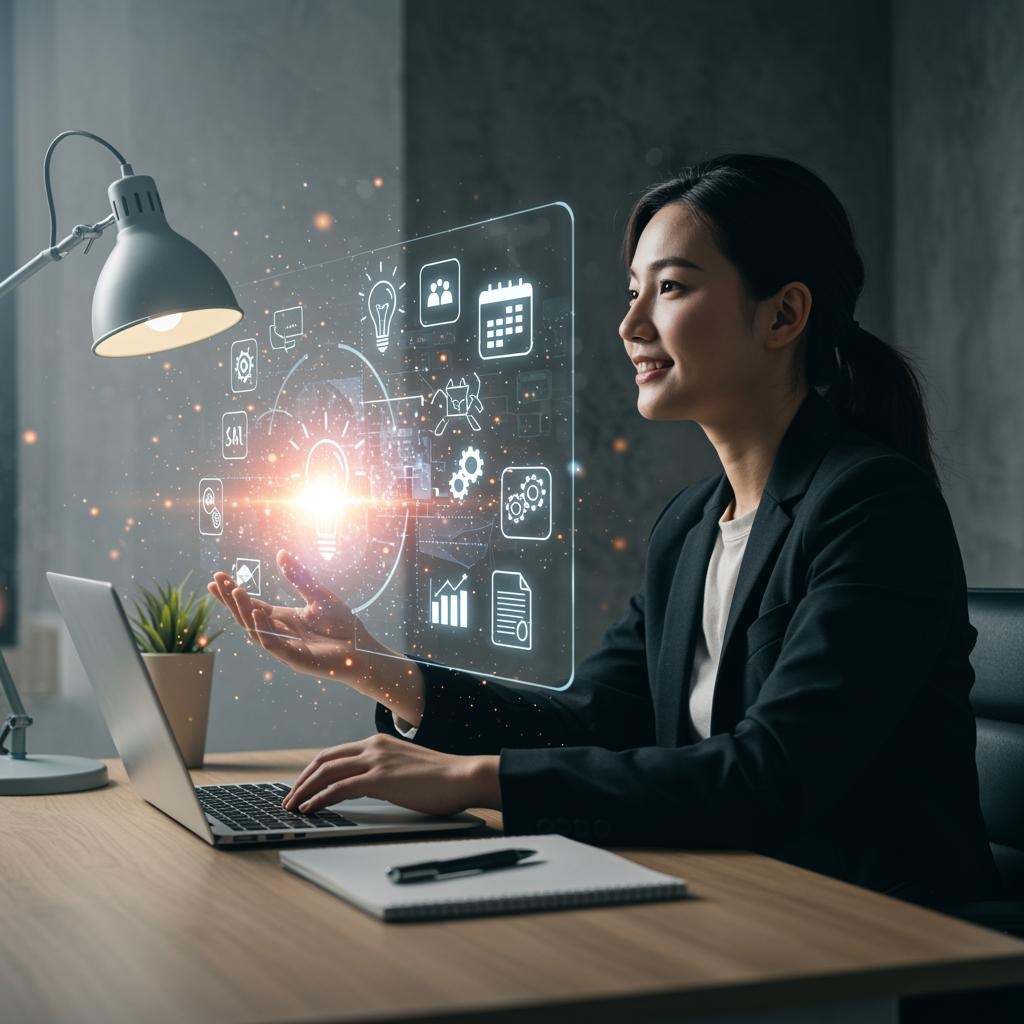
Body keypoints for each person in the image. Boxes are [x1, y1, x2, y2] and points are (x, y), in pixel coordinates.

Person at [210, 154, 999, 909]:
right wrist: (377, 666)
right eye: (633, 291)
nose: (630, 324)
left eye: (671, 287)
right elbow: (586, 723)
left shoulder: (873, 507)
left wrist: (475, 780)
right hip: (734, 900)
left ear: (784, 313)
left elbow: (773, 775)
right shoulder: (690, 526)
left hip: (875, 930)